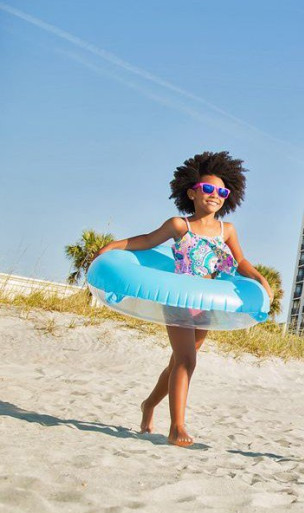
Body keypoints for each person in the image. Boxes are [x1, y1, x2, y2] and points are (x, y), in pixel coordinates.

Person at [96, 151, 273, 447]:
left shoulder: (226, 230)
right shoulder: (180, 226)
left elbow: (240, 261)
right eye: (207, 189)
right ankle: (177, 426)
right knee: (188, 362)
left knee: (178, 362)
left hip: (207, 303)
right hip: (178, 298)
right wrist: (115, 245)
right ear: (192, 192)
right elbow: (147, 240)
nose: (214, 195)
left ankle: (148, 405)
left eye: (221, 191)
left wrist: (259, 277)